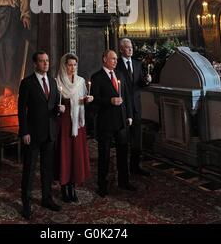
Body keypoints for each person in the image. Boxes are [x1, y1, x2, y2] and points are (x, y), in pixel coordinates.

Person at [18, 51, 65, 220]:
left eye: (47, 61)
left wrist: (59, 110)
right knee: (29, 171)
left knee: (47, 170)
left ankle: (47, 199)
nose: (46, 64)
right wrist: (24, 132)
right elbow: (21, 110)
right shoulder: (27, 83)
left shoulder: (52, 82)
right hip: (32, 134)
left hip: (50, 133)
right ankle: (26, 204)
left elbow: (53, 106)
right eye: (42, 61)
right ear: (35, 64)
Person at [90, 50, 134, 197]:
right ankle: (102, 185)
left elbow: (126, 96)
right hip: (106, 122)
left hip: (121, 121)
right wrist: (109, 101)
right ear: (104, 59)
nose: (115, 61)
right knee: (104, 155)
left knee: (123, 153)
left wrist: (129, 115)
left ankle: (124, 181)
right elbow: (94, 99)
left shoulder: (120, 74)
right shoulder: (97, 77)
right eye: (112, 59)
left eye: (116, 59)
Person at [55, 53, 93, 203]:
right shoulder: (57, 81)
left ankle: (73, 186)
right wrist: (59, 107)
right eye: (70, 65)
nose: (72, 68)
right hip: (64, 122)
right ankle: (64, 187)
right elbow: (54, 103)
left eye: (75, 65)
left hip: (77, 123)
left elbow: (83, 99)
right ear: (64, 66)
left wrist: (87, 100)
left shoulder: (81, 81)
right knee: (65, 154)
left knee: (76, 154)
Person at [117, 38, 152, 177]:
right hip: (123, 108)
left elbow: (140, 84)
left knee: (137, 140)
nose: (130, 49)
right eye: (127, 47)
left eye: (131, 47)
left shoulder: (137, 64)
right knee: (124, 141)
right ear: (121, 50)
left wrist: (147, 81)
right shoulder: (117, 65)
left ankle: (136, 166)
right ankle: (123, 171)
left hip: (136, 107)